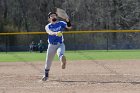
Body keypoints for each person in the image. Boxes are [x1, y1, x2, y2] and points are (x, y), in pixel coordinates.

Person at [42, 12, 72, 81]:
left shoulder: (61, 23)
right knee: (48, 61)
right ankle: (46, 75)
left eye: (54, 15)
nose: (53, 16)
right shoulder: (48, 26)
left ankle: (62, 61)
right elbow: (50, 32)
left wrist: (68, 21)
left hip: (60, 44)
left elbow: (69, 27)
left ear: (56, 17)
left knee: (60, 53)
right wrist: (56, 33)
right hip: (51, 45)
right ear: (49, 19)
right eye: (51, 16)